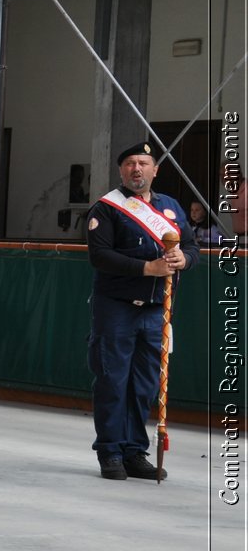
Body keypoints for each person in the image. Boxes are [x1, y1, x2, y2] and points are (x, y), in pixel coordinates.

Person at [87, 141, 198, 481]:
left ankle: (135, 451)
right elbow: (100, 255)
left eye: (143, 163)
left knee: (146, 385)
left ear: (155, 170)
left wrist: (185, 259)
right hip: (117, 307)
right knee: (112, 380)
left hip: (156, 311)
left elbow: (190, 245)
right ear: (122, 170)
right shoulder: (107, 209)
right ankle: (111, 450)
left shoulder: (171, 207)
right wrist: (146, 269)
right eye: (130, 163)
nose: (137, 169)